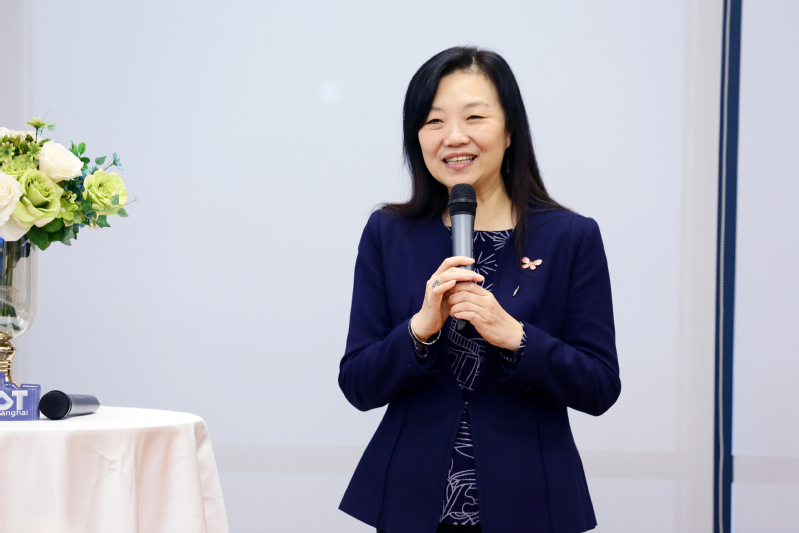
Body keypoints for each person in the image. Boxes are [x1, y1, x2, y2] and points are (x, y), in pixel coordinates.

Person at [338, 46, 621, 533]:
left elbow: (599, 386)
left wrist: (517, 338)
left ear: (510, 131)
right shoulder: (389, 233)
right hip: (409, 503)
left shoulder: (571, 236)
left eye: (474, 117)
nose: (454, 136)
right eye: (434, 121)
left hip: (531, 503)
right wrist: (419, 329)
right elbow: (358, 385)